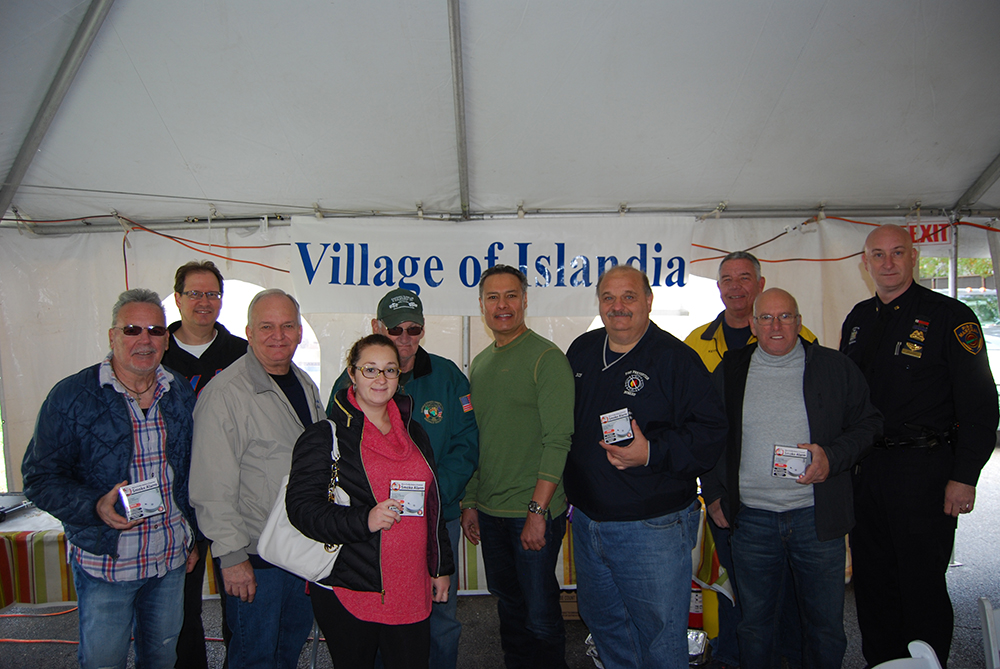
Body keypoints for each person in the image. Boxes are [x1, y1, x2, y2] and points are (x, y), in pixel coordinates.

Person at [840, 224, 999, 666]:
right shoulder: (858, 319)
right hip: (866, 470)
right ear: (864, 262)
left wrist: (964, 476)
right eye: (877, 255)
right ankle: (883, 664)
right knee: (873, 584)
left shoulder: (952, 317)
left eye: (896, 253)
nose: (887, 263)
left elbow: (982, 406)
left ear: (914, 258)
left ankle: (927, 665)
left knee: (921, 585)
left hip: (924, 470)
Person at [702, 288, 881, 669]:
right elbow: (708, 434)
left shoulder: (835, 368)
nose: (776, 325)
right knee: (755, 626)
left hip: (816, 519)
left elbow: (869, 425)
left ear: (800, 323)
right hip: (751, 519)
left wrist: (831, 457)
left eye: (786, 317)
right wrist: (715, 493)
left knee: (825, 626)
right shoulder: (730, 370)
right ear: (752, 324)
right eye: (766, 318)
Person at [21, 288, 198, 669]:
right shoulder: (73, 396)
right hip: (107, 562)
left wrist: (192, 535)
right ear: (112, 336)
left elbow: (187, 474)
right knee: (104, 661)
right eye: (133, 329)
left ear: (167, 339)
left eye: (155, 330)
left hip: (168, 559)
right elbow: (38, 478)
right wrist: (94, 505)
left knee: (162, 658)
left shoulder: (180, 391)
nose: (145, 339)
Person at [564, 264, 728, 669]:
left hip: (651, 529)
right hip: (588, 524)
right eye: (608, 298)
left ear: (649, 302)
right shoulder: (582, 350)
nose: (618, 307)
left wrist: (650, 452)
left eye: (629, 297)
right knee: (606, 627)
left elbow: (711, 433)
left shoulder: (676, 360)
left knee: (659, 635)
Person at [325, 288, 478, 669]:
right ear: (378, 327)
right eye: (395, 330)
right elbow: (334, 454)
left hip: (435, 522)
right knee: (373, 615)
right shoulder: (349, 387)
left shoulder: (448, 377)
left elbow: (466, 443)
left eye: (414, 329)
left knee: (439, 617)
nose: (405, 338)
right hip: (370, 526)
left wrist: (432, 497)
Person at [287, 334, 455, 669]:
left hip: (410, 588)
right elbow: (302, 510)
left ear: (399, 377)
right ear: (352, 374)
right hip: (351, 588)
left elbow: (432, 508)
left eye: (390, 370)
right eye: (370, 369)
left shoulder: (415, 432)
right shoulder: (326, 435)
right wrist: (363, 519)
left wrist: (440, 568)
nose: (381, 379)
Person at [684, 250, 816, 669]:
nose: (736, 287)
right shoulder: (695, 344)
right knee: (734, 583)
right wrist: (714, 491)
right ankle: (732, 656)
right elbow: (693, 426)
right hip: (728, 493)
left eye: (745, 278)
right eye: (727, 279)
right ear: (718, 288)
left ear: (760, 284)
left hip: (792, 496)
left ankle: (789, 656)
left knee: (792, 588)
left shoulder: (802, 339)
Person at [189, 288, 325, 668]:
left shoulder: (304, 383)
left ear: (300, 332)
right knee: (254, 657)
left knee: (287, 651)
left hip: (298, 551)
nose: (277, 336)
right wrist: (231, 558)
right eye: (266, 326)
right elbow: (210, 486)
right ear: (248, 332)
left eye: (286, 326)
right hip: (254, 558)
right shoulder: (225, 395)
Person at [460, 264, 575, 669]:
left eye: (511, 295)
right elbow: (478, 437)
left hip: (532, 511)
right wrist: (470, 501)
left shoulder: (546, 359)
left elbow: (559, 440)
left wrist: (538, 511)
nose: (502, 305)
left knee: (541, 616)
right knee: (509, 610)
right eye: (493, 297)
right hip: (490, 514)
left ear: (525, 301)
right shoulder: (480, 364)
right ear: (481, 306)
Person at [162, 260, 247, 668]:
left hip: (233, 493)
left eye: (212, 294)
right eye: (194, 293)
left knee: (241, 599)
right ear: (177, 298)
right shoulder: (155, 353)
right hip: (176, 498)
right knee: (181, 607)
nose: (203, 302)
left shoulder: (240, 354)